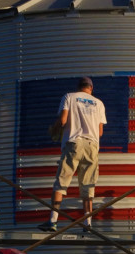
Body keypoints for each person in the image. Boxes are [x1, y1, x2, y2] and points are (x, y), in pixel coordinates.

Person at [38, 77, 107, 232]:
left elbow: (63, 120)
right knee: (88, 185)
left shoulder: (69, 97)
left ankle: (53, 221)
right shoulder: (99, 103)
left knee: (61, 182)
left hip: (74, 143)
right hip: (92, 145)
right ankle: (88, 223)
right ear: (91, 88)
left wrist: (54, 130)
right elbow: (100, 132)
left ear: (79, 87)